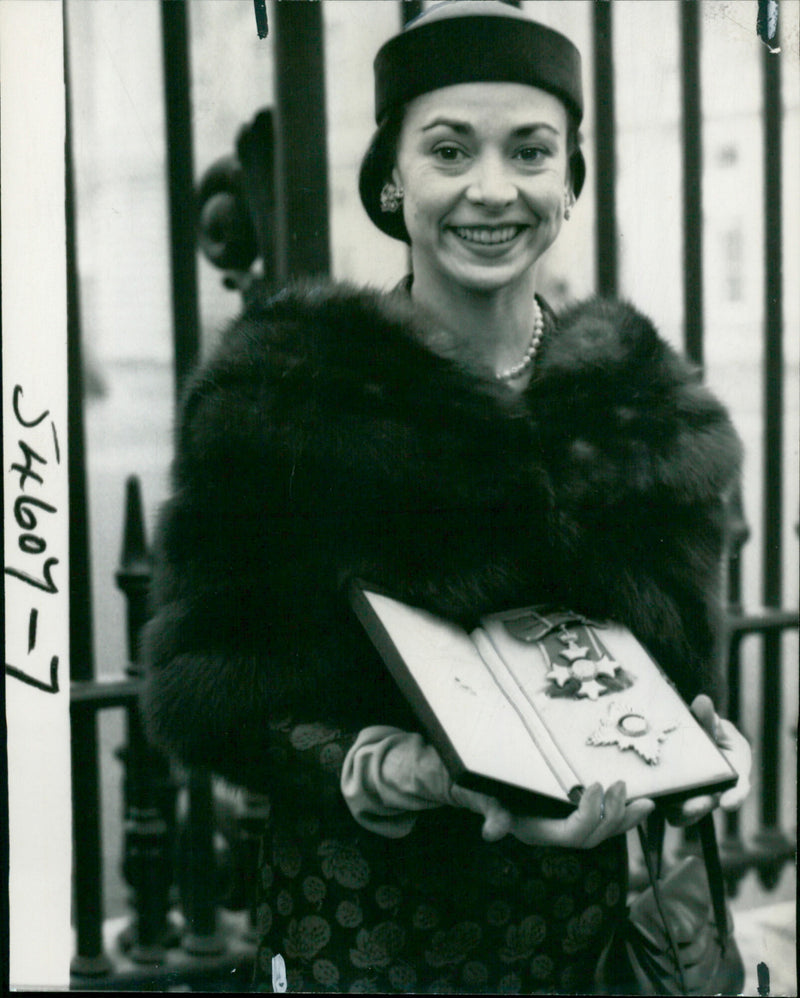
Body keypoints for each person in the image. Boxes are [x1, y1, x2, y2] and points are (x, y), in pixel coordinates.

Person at [142, 3, 751, 992]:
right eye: (449, 150)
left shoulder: (642, 410)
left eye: (529, 151)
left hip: (574, 947)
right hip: (365, 932)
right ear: (392, 178)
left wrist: (701, 757)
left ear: (569, 180)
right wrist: (388, 766)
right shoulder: (285, 395)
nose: (491, 189)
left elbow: (668, 677)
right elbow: (207, 690)